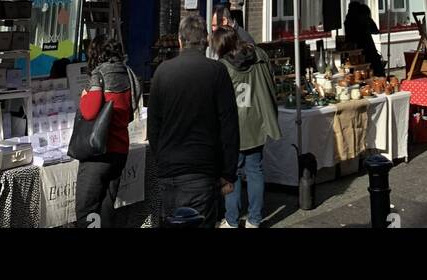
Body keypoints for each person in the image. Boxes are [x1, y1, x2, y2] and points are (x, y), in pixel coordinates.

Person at [147, 14, 239, 227]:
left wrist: (162, 159)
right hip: (201, 171)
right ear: (206, 40)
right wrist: (228, 173)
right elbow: (229, 126)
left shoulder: (162, 72)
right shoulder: (217, 71)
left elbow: (153, 127)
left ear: (180, 40)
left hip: (170, 170)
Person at [211, 26, 281, 229]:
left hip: (232, 129)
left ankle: (232, 221)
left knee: (231, 174)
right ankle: (255, 220)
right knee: (255, 171)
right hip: (256, 122)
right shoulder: (258, 55)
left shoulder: (222, 66)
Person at [74, 35, 135, 229]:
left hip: (98, 153)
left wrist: (84, 96)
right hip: (120, 150)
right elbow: (131, 112)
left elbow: (89, 111)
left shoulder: (98, 75)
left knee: (87, 209)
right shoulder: (129, 74)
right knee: (107, 205)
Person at [342, 0, 385, 75]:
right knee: (373, 71)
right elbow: (375, 30)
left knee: (358, 73)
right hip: (367, 48)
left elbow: (375, 30)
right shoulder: (362, 18)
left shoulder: (348, 20)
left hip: (355, 50)